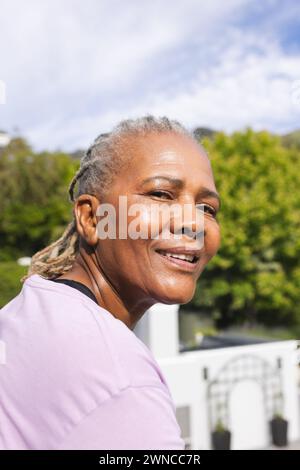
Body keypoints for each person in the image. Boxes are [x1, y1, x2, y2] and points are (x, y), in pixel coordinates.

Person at [0, 115, 221, 449]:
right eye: (161, 194)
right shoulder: (121, 382)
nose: (194, 223)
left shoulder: (25, 314)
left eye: (208, 208)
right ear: (92, 218)